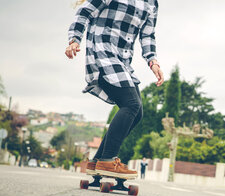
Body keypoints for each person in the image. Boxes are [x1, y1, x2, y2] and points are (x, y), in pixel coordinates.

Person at [65, 0, 164, 179]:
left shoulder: (152, 3)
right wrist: (74, 39)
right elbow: (84, 12)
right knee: (131, 104)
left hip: (122, 61)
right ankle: (108, 160)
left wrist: (153, 61)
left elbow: (148, 35)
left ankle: (97, 162)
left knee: (138, 111)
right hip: (102, 53)